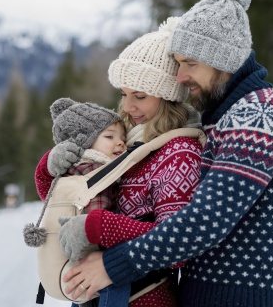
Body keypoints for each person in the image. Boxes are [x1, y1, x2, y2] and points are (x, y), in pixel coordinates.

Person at [61, 0, 273, 307]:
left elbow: (206, 221)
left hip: (246, 298)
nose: (180, 77)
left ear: (225, 60)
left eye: (190, 63)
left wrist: (112, 266)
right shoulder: (222, 117)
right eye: (178, 64)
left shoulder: (261, 116)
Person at [34, 17, 205, 307]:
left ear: (167, 97)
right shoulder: (126, 142)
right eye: (124, 94)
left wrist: (98, 226)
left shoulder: (179, 154)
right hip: (99, 295)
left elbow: (179, 246)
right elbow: (67, 199)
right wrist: (49, 166)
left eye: (139, 96)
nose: (127, 106)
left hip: (142, 298)